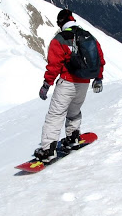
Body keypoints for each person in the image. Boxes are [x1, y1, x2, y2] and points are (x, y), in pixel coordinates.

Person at [34, 9, 105, 161]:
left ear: (61, 23)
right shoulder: (87, 35)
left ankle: (48, 150)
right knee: (74, 111)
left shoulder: (60, 39)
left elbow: (54, 65)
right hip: (84, 83)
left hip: (67, 82)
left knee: (55, 115)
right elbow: (99, 57)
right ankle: (73, 138)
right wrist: (98, 78)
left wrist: (46, 85)